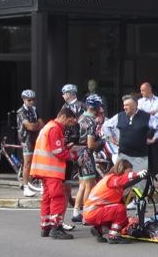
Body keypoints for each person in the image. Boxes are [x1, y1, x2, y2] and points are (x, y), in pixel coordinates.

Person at [103, 94, 158, 203]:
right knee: (119, 180)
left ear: (134, 106)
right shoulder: (120, 116)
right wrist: (110, 137)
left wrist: (154, 138)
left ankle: (140, 204)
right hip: (123, 155)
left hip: (140, 156)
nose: (124, 107)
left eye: (127, 105)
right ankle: (118, 203)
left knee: (140, 182)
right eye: (124, 105)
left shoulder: (146, 117)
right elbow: (106, 125)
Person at [31, 107, 79, 240]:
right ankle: (56, 228)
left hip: (44, 170)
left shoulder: (48, 127)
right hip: (52, 170)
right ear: (63, 117)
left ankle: (45, 226)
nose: (69, 125)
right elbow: (58, 152)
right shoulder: (55, 129)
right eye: (69, 121)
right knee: (58, 197)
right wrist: (73, 155)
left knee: (47, 198)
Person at [83, 159, 148, 244]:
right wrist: (137, 174)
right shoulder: (112, 179)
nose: (129, 174)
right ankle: (114, 236)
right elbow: (122, 180)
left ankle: (99, 229)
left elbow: (123, 183)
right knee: (120, 209)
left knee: (123, 218)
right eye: (128, 172)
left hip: (92, 211)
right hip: (93, 212)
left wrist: (140, 177)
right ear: (121, 170)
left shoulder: (109, 179)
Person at [72, 94, 105, 223]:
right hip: (86, 154)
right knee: (89, 185)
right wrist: (101, 142)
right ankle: (87, 214)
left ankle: (76, 212)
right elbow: (91, 145)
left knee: (82, 185)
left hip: (77, 153)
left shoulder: (81, 118)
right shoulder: (91, 121)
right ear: (97, 107)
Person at [60, 84, 84, 228]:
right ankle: (67, 214)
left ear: (70, 93)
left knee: (85, 179)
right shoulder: (63, 107)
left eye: (64, 93)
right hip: (67, 146)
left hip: (79, 144)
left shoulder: (82, 106)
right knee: (66, 184)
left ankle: (79, 209)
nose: (63, 95)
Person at [16, 89, 43, 197]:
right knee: (27, 164)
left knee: (38, 162)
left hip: (35, 138)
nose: (31, 102)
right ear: (24, 99)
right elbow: (30, 126)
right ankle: (25, 186)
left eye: (33, 100)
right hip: (26, 139)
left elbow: (42, 123)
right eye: (29, 100)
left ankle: (38, 184)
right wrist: (37, 124)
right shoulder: (21, 112)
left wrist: (36, 125)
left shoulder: (34, 109)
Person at [138, 82, 158, 174]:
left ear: (149, 90)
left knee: (156, 153)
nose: (141, 92)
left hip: (156, 130)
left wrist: (147, 115)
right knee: (145, 153)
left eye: (143, 90)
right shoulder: (140, 102)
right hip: (144, 130)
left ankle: (156, 175)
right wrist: (152, 113)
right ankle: (146, 174)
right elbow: (139, 115)